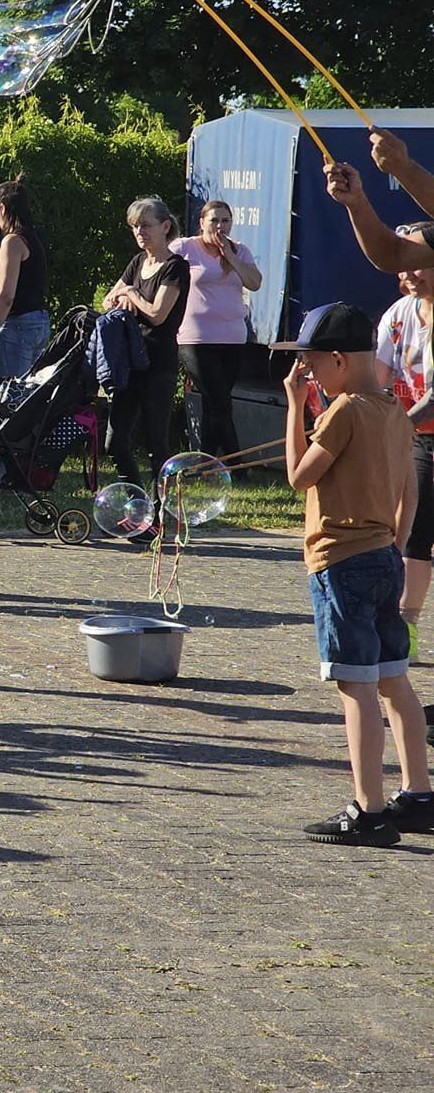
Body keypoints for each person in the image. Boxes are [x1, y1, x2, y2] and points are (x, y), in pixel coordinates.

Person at [277, 302, 433, 846]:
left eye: (312, 364)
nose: (308, 374)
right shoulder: (394, 409)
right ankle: (417, 795)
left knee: (356, 686)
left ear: (339, 359)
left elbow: (298, 476)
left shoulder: (341, 411)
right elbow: (409, 494)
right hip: (385, 558)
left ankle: (368, 811)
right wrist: (392, 541)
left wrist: (296, 406)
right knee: (394, 679)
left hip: (341, 563)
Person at [101, 197, 190, 489]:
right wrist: (123, 295)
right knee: (115, 441)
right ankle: (134, 500)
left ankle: (159, 508)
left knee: (156, 442)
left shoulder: (175, 267)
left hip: (158, 362)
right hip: (130, 361)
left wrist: (131, 295)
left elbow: (157, 314)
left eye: (146, 225)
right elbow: (107, 301)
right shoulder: (138, 262)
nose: (140, 232)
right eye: (135, 226)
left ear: (165, 227)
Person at [375, 225, 434, 661]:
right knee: (412, 529)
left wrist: (401, 424)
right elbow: (379, 380)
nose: (407, 272)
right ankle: (405, 624)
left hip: (415, 428)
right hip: (420, 441)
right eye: (401, 262)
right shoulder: (398, 315)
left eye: (415, 262)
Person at [171, 199, 261, 460]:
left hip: (232, 338)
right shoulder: (185, 248)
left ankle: (205, 461)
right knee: (220, 400)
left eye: (225, 221)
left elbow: (254, 282)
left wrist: (230, 257)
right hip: (196, 338)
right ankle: (236, 462)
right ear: (202, 223)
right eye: (214, 220)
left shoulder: (240, 251)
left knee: (215, 403)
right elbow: (154, 266)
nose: (220, 226)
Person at [0, 175, 48, 381]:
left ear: (2, 208)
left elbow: (6, 295)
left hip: (17, 325)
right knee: (29, 392)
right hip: (39, 321)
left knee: (12, 396)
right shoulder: (34, 236)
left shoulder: (12, 242)